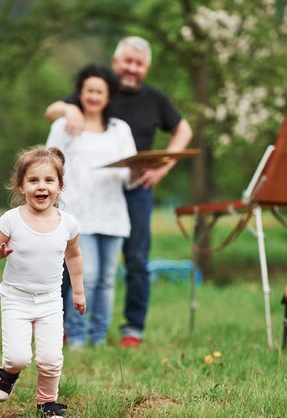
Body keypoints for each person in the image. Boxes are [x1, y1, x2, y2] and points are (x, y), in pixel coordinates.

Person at [45, 36, 193, 348]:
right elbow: (53, 111)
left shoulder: (154, 100)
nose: (132, 68)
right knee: (74, 265)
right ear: (115, 63)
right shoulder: (93, 91)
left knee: (135, 261)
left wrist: (162, 168)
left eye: (139, 64)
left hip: (132, 187)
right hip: (86, 195)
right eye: (127, 61)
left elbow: (184, 129)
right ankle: (64, 328)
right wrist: (67, 110)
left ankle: (131, 331)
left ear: (147, 68)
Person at [0, 145, 85, 417]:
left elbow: (73, 257)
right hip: (16, 298)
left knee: (51, 359)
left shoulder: (68, 224)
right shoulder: (11, 220)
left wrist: (78, 293)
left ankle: (47, 403)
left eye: (49, 180)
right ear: (21, 186)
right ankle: (8, 371)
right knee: (19, 357)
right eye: (33, 180)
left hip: (50, 300)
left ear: (60, 186)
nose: (42, 187)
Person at [46, 63, 137, 348]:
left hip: (113, 215)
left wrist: (140, 170)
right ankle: (75, 336)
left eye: (100, 91)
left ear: (108, 96)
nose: (94, 96)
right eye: (89, 91)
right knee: (86, 276)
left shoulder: (120, 130)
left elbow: (130, 177)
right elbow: (49, 166)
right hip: (77, 217)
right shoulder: (64, 126)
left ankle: (97, 337)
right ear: (80, 94)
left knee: (107, 280)